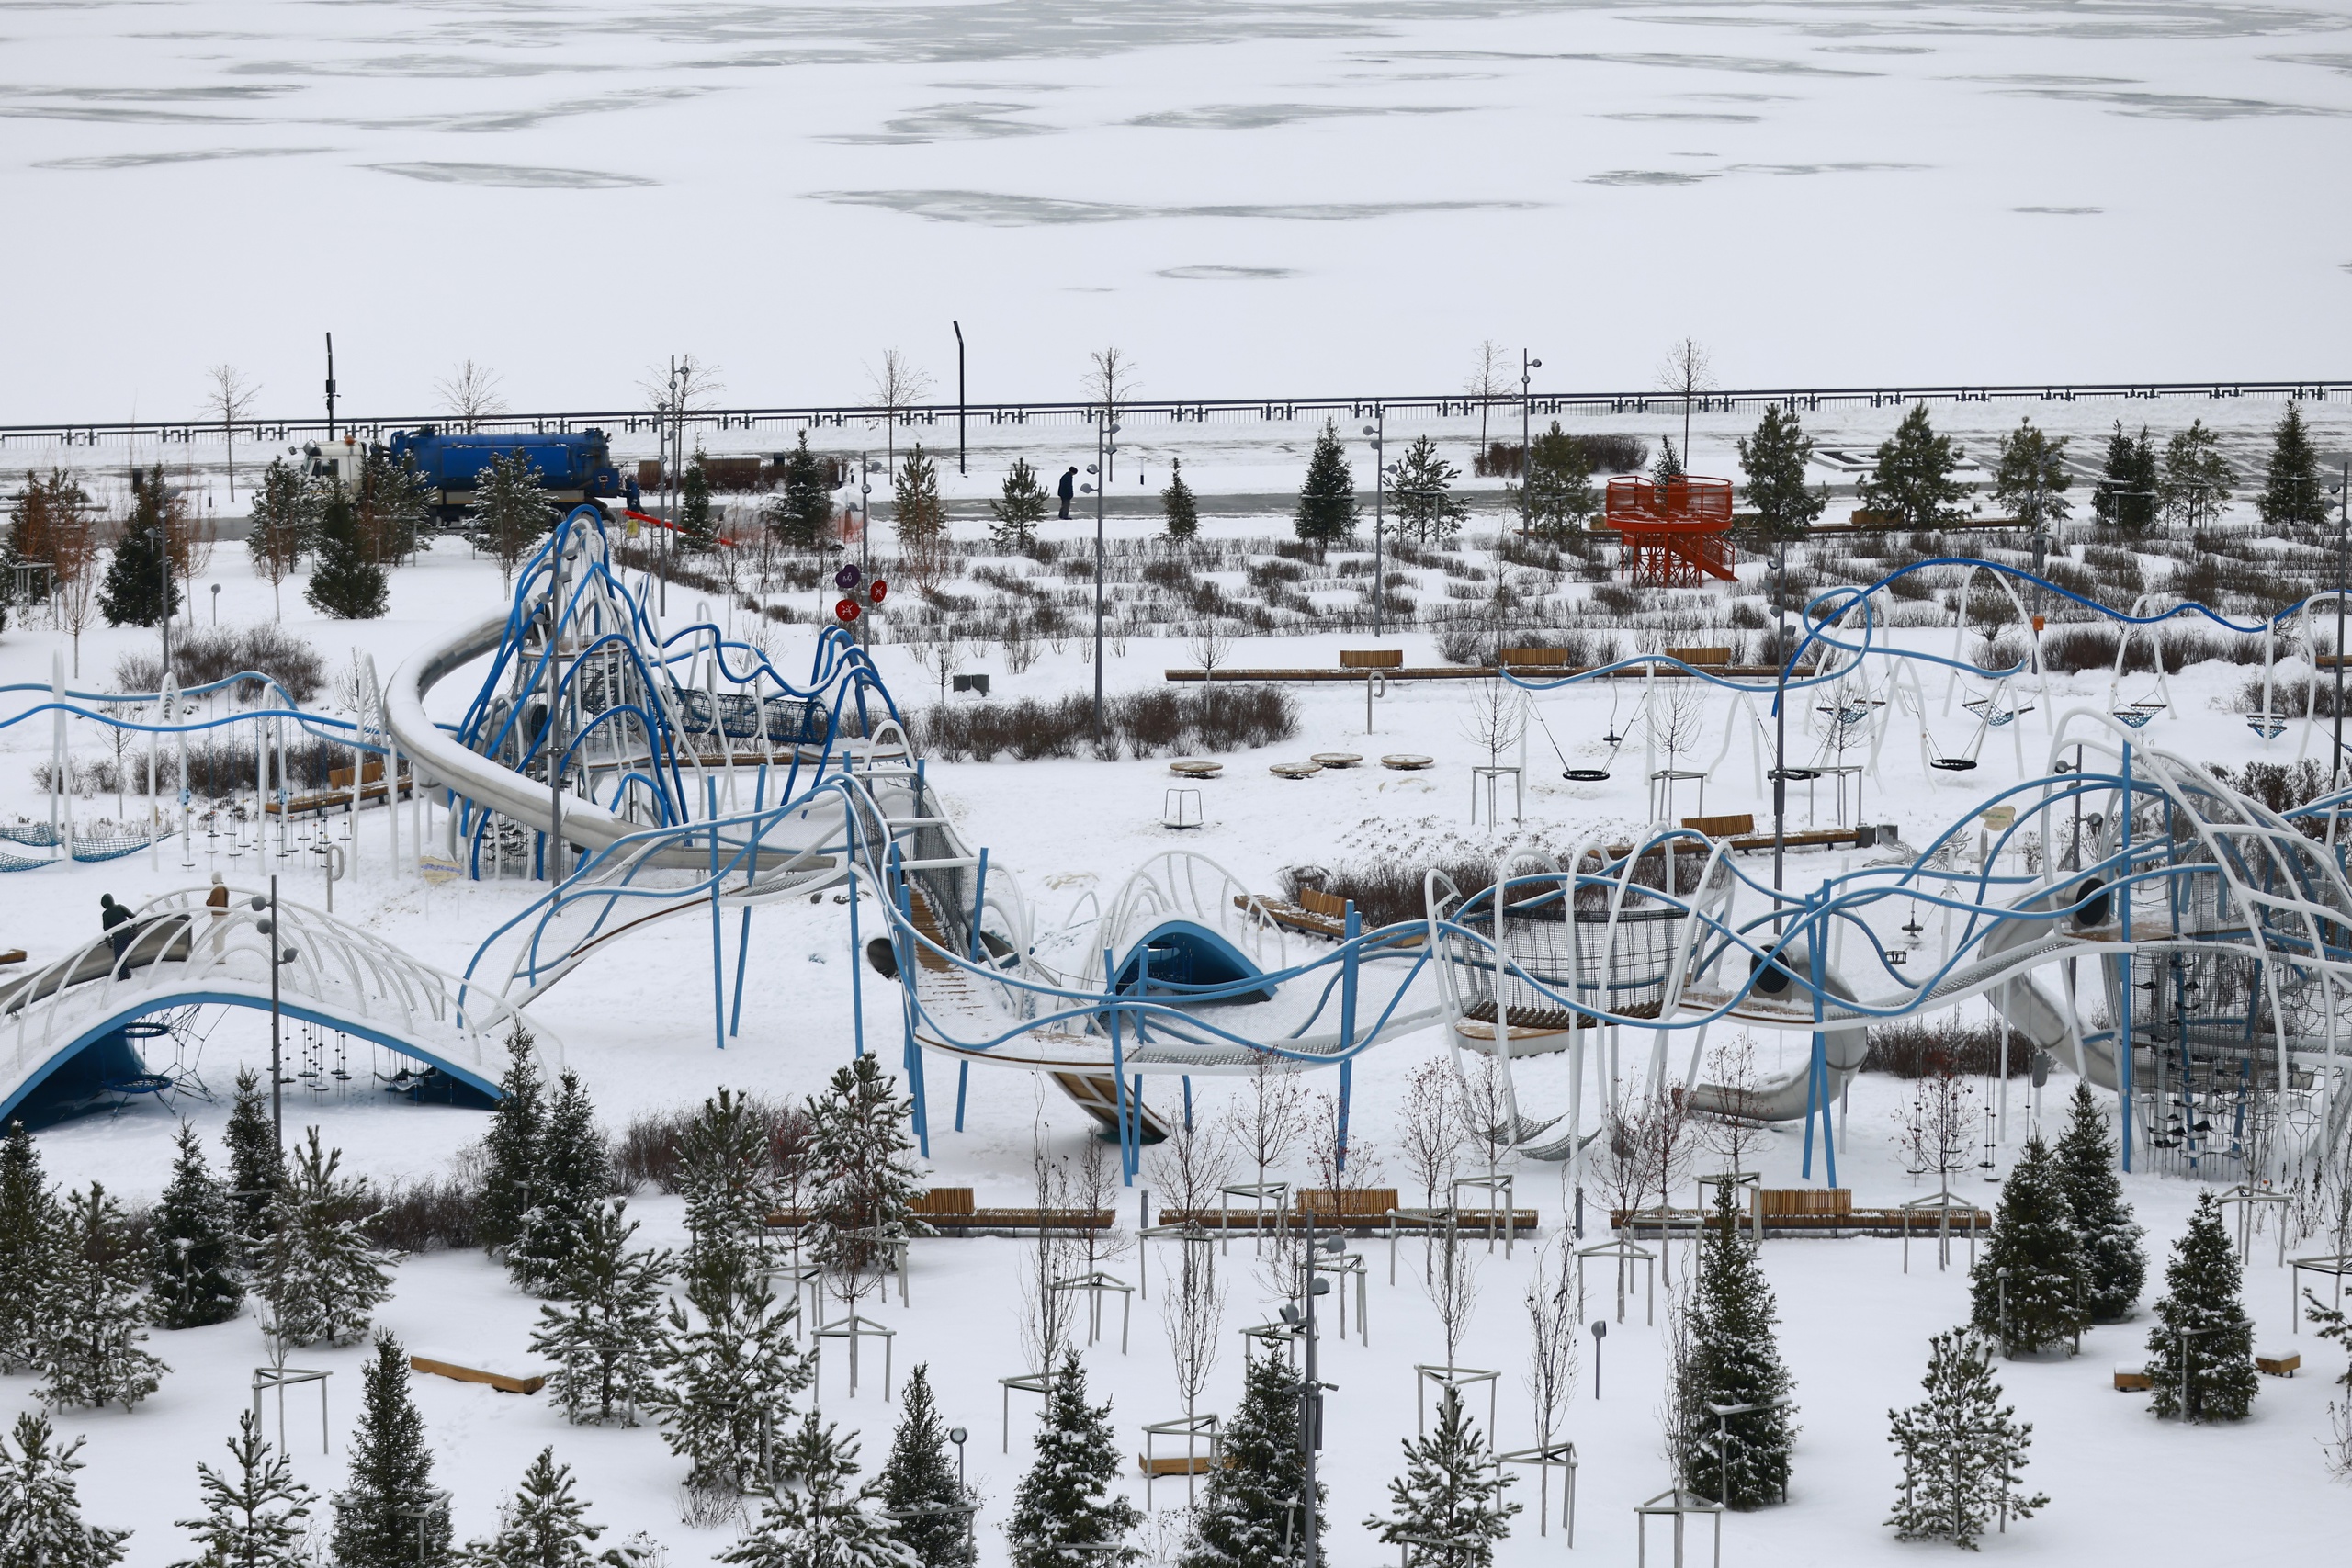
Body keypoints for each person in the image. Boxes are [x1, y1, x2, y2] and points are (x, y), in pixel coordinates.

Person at [99, 893, 133, 963]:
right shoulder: (120, 907)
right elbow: (132, 917)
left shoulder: (105, 914)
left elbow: (106, 929)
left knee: (119, 960)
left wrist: (108, 940)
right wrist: (134, 928)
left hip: (118, 939)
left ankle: (124, 973)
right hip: (128, 934)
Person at [206, 872, 230, 955]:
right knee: (221, 936)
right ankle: (220, 955)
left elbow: (209, 902)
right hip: (224, 914)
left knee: (217, 937)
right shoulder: (224, 888)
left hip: (218, 916)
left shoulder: (216, 890)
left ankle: (219, 957)